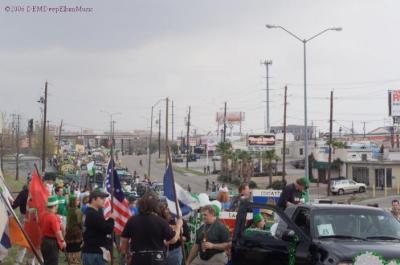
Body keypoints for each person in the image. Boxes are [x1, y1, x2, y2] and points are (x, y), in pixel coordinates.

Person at [120, 193, 183, 265]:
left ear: (141, 204)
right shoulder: (161, 221)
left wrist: (126, 254)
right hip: (156, 259)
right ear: (156, 206)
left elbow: (124, 240)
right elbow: (173, 239)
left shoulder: (132, 220)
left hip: (138, 258)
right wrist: (178, 226)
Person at [82, 189, 114, 265]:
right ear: (93, 199)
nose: (104, 200)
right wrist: (111, 219)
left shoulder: (92, 212)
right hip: (93, 253)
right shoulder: (92, 214)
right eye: (101, 198)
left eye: (104, 198)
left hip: (93, 251)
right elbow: (107, 229)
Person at [39, 196, 66, 265]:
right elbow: (57, 231)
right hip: (52, 243)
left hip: (44, 241)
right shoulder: (53, 217)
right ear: (54, 205)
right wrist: (62, 241)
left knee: (47, 261)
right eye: (57, 205)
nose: (58, 206)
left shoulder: (42, 214)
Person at [65, 196, 83, 265]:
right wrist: (81, 229)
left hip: (69, 231)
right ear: (74, 202)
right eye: (77, 200)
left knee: (70, 247)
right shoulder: (78, 210)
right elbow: (79, 222)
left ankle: (70, 261)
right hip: (76, 231)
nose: (78, 201)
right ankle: (75, 261)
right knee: (76, 247)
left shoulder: (68, 209)